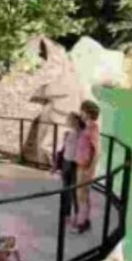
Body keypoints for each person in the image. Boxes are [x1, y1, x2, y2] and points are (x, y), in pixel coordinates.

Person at [73, 100, 100, 234]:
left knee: (81, 195)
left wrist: (89, 168)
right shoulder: (88, 127)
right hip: (82, 165)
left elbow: (96, 150)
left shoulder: (92, 128)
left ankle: (81, 223)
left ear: (88, 113)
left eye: (82, 110)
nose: (80, 113)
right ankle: (84, 221)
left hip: (85, 168)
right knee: (83, 195)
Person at [54, 112, 84, 229]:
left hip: (75, 165)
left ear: (76, 121)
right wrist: (57, 165)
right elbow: (63, 149)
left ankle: (77, 218)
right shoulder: (69, 133)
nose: (67, 121)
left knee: (75, 192)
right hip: (67, 163)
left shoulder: (82, 135)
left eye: (69, 119)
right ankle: (66, 216)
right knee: (65, 191)